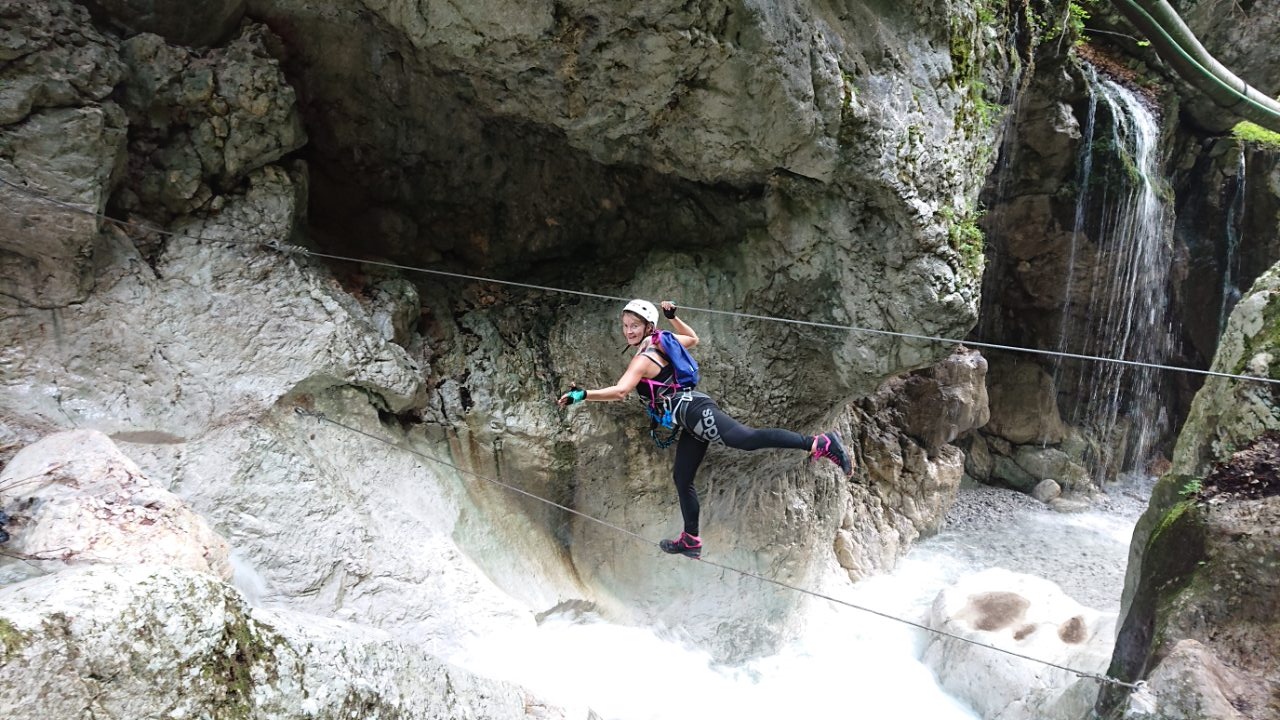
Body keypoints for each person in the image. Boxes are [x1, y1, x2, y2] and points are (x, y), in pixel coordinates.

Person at [557, 298, 855, 559]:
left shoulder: (644, 358)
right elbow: (693, 338)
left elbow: (621, 391)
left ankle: (819, 442)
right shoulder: (664, 340)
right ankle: (691, 540)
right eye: (625, 326)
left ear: (648, 326)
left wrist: (583, 395)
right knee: (682, 477)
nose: (629, 331)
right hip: (689, 416)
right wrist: (673, 316)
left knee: (746, 439)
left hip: (693, 411)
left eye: (634, 325)